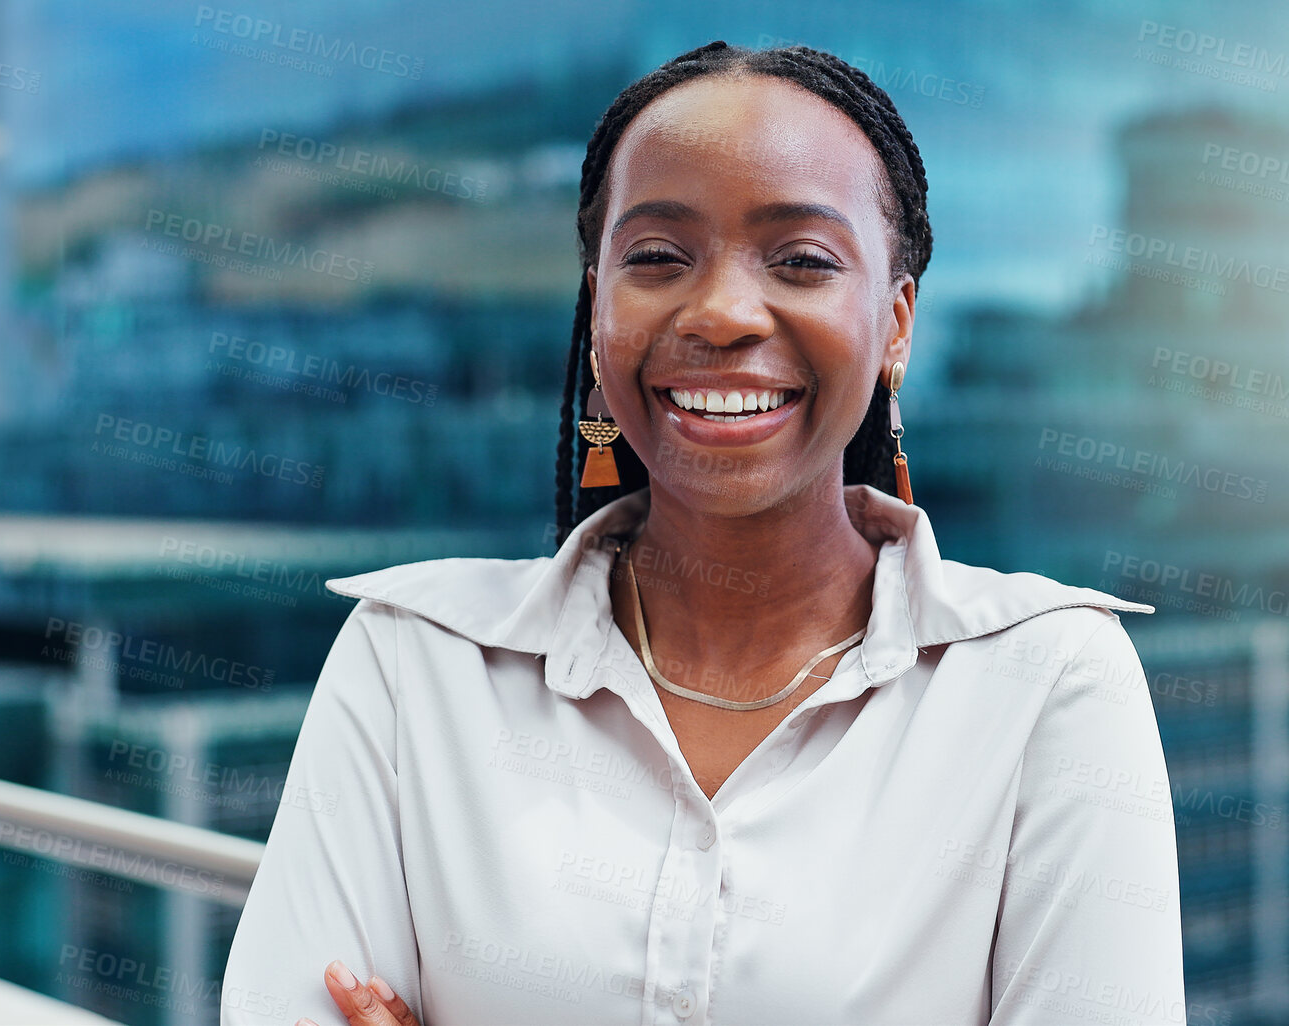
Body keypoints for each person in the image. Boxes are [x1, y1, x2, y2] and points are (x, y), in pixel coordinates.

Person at [222, 39, 1185, 1026]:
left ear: (897, 324)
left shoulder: (1048, 681)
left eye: (801, 261)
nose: (722, 312)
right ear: (597, 310)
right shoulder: (410, 662)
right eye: (656, 258)